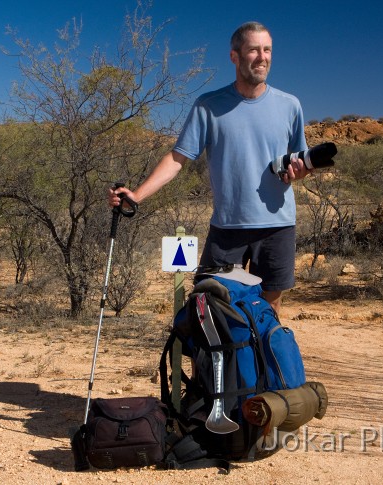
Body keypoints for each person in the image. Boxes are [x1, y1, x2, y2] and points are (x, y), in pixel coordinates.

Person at [108, 21, 311, 316]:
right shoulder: (208, 105)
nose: (262, 57)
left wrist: (301, 171)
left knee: (271, 308)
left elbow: (300, 161)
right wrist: (136, 195)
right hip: (227, 227)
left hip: (277, 227)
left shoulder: (290, 106)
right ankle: (214, 365)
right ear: (235, 56)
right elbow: (177, 159)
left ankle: (264, 363)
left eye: (267, 50)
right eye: (253, 50)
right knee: (209, 309)